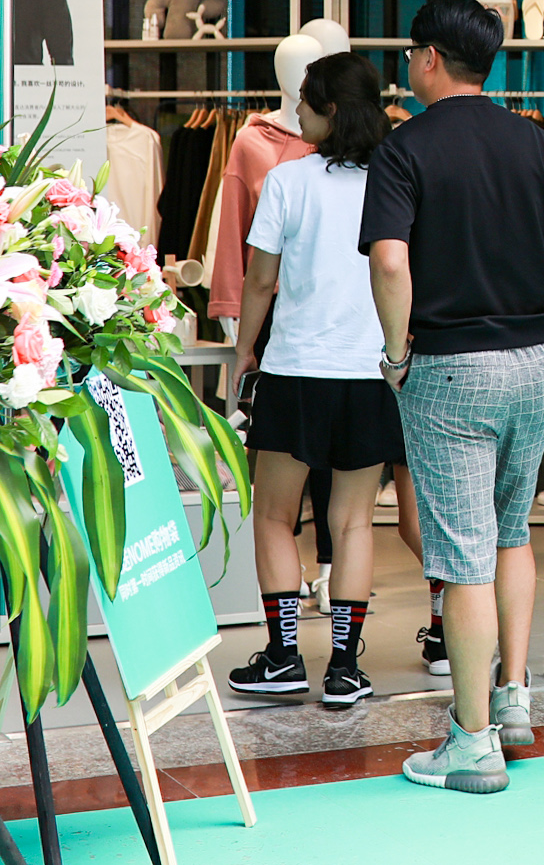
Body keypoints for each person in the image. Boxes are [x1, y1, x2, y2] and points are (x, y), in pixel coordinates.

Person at [363, 0, 544, 795]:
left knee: (463, 556)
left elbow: (390, 262)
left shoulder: (404, 148)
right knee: (510, 532)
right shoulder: (536, 143)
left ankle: (471, 744)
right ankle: (512, 696)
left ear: (431, 58)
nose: (409, 64)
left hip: (449, 368)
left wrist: (395, 354)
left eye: (412, 53)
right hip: (537, 360)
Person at [225, 52, 404, 707]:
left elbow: (260, 280)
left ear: (330, 108)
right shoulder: (395, 180)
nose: (294, 109)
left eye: (303, 99)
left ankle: (283, 657)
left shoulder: (288, 180)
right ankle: (345, 667)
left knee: (275, 516)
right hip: (371, 372)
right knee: (352, 522)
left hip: (296, 369)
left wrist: (243, 351)